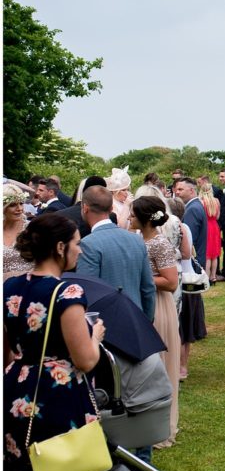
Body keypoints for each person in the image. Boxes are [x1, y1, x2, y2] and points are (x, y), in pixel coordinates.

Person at [3, 214, 107, 471]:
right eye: (77, 243)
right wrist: (95, 336)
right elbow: (85, 360)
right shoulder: (67, 292)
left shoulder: (9, 288)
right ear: (60, 247)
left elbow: (5, 352)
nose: (81, 250)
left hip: (15, 391)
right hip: (57, 396)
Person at [130, 195, 181, 448]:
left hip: (160, 305)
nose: (128, 218)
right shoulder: (140, 240)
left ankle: (163, 426)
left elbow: (171, 282)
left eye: (132, 214)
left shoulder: (159, 243)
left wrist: (142, 278)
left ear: (144, 219)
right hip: (145, 301)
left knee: (159, 365)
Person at [76, 186, 155, 320]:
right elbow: (148, 288)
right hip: (136, 317)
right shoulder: (136, 240)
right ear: (111, 209)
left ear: (85, 208)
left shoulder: (88, 244)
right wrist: (146, 321)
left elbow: (87, 291)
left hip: (106, 323)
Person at [173, 178, 207, 379]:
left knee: (183, 326)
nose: (177, 191)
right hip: (187, 277)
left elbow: (186, 252)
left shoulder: (187, 220)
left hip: (185, 280)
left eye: (180, 188)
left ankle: (181, 366)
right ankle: (181, 366)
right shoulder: (194, 209)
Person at [3, 183, 33, 279]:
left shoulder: (32, 229)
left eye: (21, 203)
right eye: (13, 205)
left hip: (27, 285)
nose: (19, 209)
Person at [199, 180, 222, 281]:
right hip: (215, 226)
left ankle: (207, 276)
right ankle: (213, 276)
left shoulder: (201, 201)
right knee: (215, 253)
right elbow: (217, 216)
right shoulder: (216, 201)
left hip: (206, 227)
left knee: (207, 254)